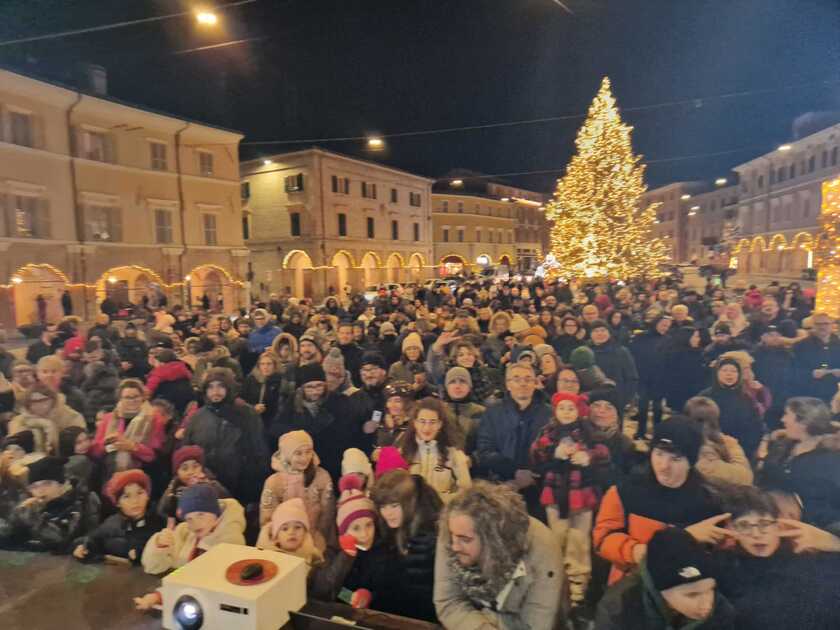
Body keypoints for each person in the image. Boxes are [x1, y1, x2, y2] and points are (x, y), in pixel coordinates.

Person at [593, 417, 723, 585]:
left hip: (685, 592)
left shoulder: (709, 502)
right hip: (633, 588)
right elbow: (602, 539)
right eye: (659, 454)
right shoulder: (624, 491)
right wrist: (637, 551)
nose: (663, 466)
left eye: (675, 459)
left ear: (691, 462)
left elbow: (718, 557)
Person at [433, 480, 564, 630]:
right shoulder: (453, 529)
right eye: (452, 536)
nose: (455, 546)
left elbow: (536, 625)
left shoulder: (542, 548)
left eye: (465, 540)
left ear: (491, 539)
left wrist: (480, 617)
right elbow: (448, 602)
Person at [529, 391, 609, 619]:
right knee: (557, 537)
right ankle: (556, 585)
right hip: (555, 495)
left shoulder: (587, 431)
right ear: (555, 410)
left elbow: (603, 451)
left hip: (581, 495)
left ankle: (578, 590)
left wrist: (588, 456)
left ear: (579, 411)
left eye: (571, 408)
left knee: (579, 541)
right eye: (562, 407)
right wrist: (554, 452)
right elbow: (535, 453)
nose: (566, 412)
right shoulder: (548, 431)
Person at [717, 486, 840, 630]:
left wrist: (834, 542)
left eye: (764, 523)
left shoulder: (813, 553)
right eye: (744, 525)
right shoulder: (727, 571)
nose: (756, 534)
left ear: (778, 525)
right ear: (732, 529)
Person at [595, 527, 736, 630]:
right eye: (692, 595)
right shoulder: (618, 608)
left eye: (710, 589)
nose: (707, 604)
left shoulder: (720, 610)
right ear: (661, 589)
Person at [182, 367, 268, 505]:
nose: (215, 391)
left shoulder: (247, 414)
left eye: (221, 386)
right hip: (206, 485)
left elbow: (258, 453)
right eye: (210, 387)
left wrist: (254, 493)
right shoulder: (198, 417)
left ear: (229, 388)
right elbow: (187, 452)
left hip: (240, 487)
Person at [476, 362, 552, 511]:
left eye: (528, 379)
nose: (523, 383)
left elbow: (552, 451)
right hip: (502, 486)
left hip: (540, 489)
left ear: (535, 383)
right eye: (516, 379)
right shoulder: (493, 413)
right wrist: (514, 472)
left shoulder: (549, 414)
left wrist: (533, 476)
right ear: (508, 384)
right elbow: (485, 451)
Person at [758, 396, 840, 532]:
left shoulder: (830, 459)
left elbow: (826, 506)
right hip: (771, 514)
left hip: (812, 528)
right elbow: (764, 476)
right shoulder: (782, 445)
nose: (782, 420)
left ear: (803, 422)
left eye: (787, 414)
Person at [371, 469, 443, 622]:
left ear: (408, 503)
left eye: (394, 506)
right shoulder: (384, 533)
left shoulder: (429, 541)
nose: (388, 513)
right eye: (383, 507)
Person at [260, 430, 334, 550]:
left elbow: (327, 512)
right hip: (284, 543)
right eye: (298, 453)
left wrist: (319, 536)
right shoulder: (274, 482)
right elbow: (267, 517)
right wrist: (277, 540)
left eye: (308, 452)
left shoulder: (322, 477)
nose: (304, 458)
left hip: (314, 540)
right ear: (288, 454)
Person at [9, 456, 100, 553]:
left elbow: (61, 541)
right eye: (34, 486)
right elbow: (11, 537)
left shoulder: (83, 499)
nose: (40, 490)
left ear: (62, 483)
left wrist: (34, 518)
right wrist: (17, 514)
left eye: (47, 484)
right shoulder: (34, 504)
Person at [73, 469, 162, 565]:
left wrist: (139, 552)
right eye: (126, 496)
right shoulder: (113, 522)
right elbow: (95, 538)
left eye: (140, 493)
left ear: (147, 495)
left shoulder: (158, 522)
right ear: (118, 503)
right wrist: (85, 548)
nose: (135, 501)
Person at [89, 379, 167, 478]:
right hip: (110, 471)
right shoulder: (108, 419)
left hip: (143, 472)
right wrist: (107, 444)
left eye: (136, 397)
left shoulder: (154, 419)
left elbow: (155, 454)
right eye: (127, 398)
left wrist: (133, 447)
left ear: (142, 397)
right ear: (120, 399)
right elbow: (96, 452)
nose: (132, 401)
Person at [399, 397, 471, 502]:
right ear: (415, 423)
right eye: (422, 421)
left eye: (432, 422)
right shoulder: (403, 452)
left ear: (440, 424)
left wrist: (443, 500)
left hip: (442, 513)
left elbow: (466, 491)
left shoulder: (454, 454)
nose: (427, 428)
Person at [698, 358, 764, 460]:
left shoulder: (746, 397)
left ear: (739, 375)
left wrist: (746, 448)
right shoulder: (705, 397)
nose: (729, 374)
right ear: (717, 373)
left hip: (741, 453)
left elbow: (756, 426)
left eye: (733, 371)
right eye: (724, 370)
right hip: (711, 452)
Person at [683, 396, 753, 486]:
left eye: (712, 420)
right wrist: (732, 446)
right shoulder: (699, 455)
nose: (707, 426)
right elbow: (745, 477)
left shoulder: (718, 439)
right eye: (700, 421)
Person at [156, 445, 229, 528]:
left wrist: (208, 487)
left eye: (195, 466)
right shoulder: (173, 489)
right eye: (184, 468)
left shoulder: (211, 483)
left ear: (202, 468)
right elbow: (162, 510)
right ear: (177, 473)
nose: (191, 472)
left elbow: (227, 500)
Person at [629, 316, 671, 439]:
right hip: (643, 377)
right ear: (656, 323)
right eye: (663, 325)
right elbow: (633, 355)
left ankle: (657, 433)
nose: (665, 328)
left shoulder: (668, 339)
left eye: (668, 326)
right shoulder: (641, 337)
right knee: (643, 406)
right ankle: (641, 431)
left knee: (658, 408)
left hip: (660, 379)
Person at [256, 497, 324, 570]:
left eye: (297, 527)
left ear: (305, 533)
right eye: (285, 529)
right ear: (276, 537)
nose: (291, 532)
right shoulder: (267, 557)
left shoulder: (313, 556)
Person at [589, 319, 638, 414]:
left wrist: (624, 400)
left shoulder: (621, 351)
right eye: (595, 331)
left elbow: (632, 378)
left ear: (609, 332)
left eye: (603, 330)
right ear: (590, 334)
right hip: (592, 401)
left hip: (615, 401)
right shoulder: (586, 352)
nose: (599, 333)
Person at [792, 312, 840, 402]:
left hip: (835, 392)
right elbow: (793, 370)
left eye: (826, 323)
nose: (822, 327)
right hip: (810, 391)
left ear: (832, 325)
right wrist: (810, 373)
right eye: (818, 324)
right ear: (813, 326)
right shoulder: (801, 345)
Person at [440, 366, 485, 457]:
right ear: (446, 387)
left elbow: (488, 446)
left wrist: (472, 460)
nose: (457, 386)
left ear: (470, 387)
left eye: (462, 381)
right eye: (452, 382)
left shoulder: (481, 412)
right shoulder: (438, 411)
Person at [241, 351, 284, 436]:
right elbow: (242, 399)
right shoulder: (251, 380)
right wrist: (253, 407)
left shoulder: (280, 380)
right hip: (254, 421)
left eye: (269, 364)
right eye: (262, 364)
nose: (265, 367)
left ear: (275, 365)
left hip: (273, 422)